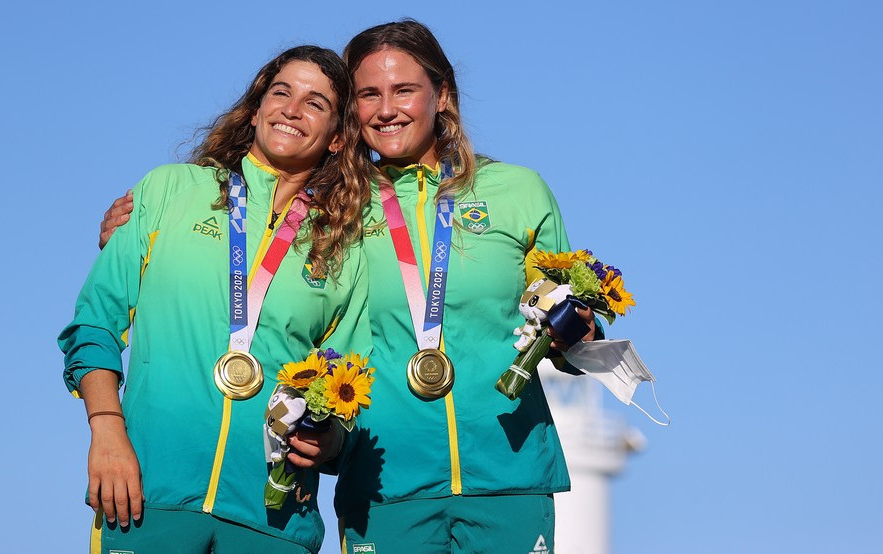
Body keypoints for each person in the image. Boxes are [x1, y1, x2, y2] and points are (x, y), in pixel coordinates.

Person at [98, 20, 598, 554]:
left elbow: (564, 327)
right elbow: (247, 268)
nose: (386, 109)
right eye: (368, 94)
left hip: (509, 474)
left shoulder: (519, 192)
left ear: (443, 96)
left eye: (404, 90)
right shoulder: (336, 212)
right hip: (383, 488)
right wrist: (134, 233)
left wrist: (580, 335)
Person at [59, 45, 373, 554]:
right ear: (255, 110)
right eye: (281, 93)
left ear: (338, 138)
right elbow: (95, 324)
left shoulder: (342, 245)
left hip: (274, 520)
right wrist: (107, 430)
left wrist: (332, 437)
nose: (293, 109)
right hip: (145, 496)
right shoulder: (168, 191)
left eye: (315, 103)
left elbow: (353, 376)